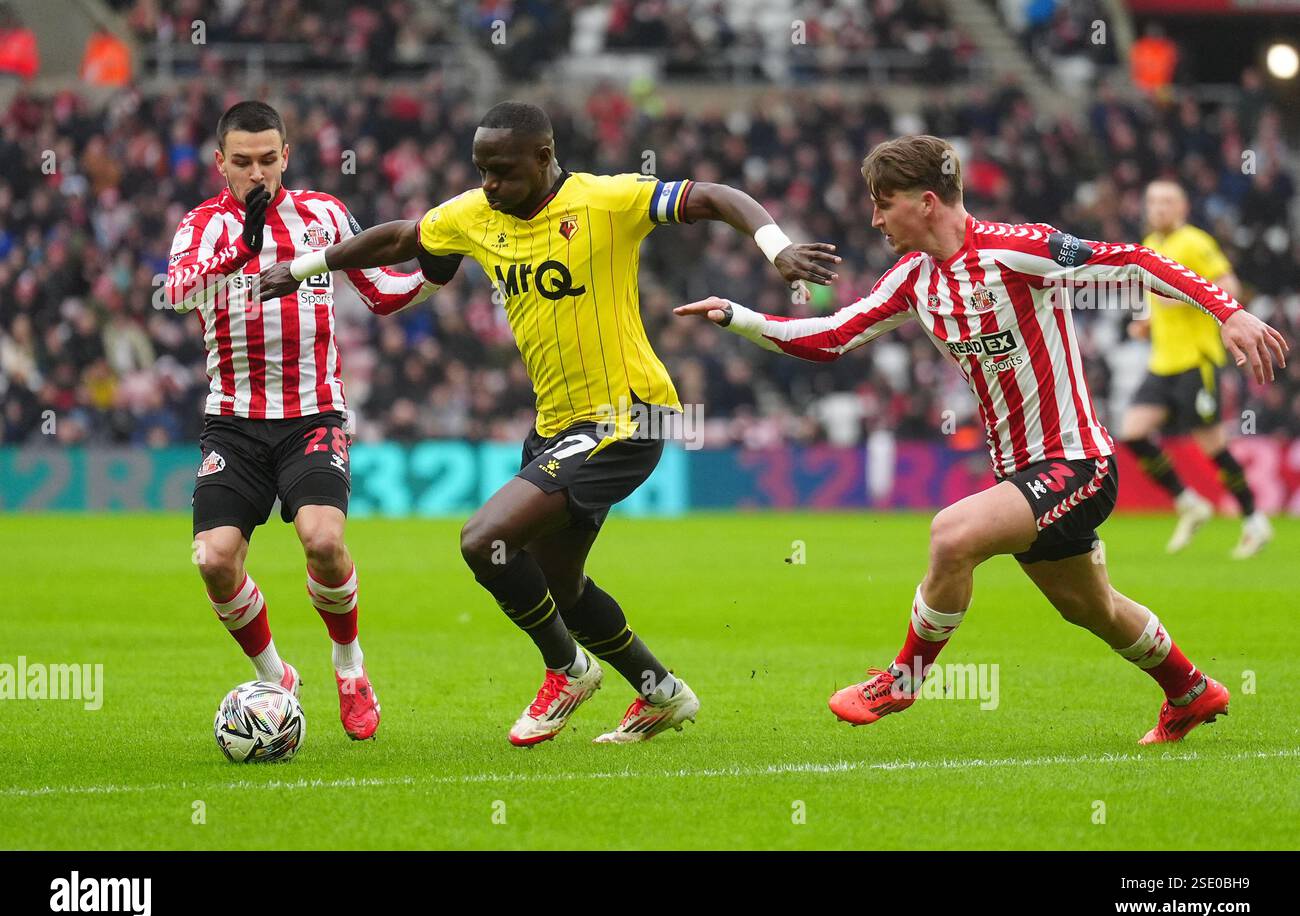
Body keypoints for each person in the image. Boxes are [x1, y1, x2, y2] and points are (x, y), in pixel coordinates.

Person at [258, 101, 838, 745]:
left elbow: (715, 196)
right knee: (560, 582)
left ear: (544, 157)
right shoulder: (476, 215)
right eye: (481, 170)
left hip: (630, 415)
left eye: (502, 171)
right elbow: (402, 237)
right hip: (559, 426)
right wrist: (306, 268)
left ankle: (566, 669)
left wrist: (776, 249)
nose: (489, 185)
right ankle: (660, 693)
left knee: (484, 540)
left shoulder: (607, 199)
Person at [673, 135, 1286, 744]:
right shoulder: (913, 280)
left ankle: (904, 678)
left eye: (885, 203)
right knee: (1091, 609)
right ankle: (1190, 690)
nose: (875, 218)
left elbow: (1132, 260)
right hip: (1019, 473)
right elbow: (831, 336)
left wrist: (1227, 311)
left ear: (929, 201)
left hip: (1077, 462)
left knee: (952, 535)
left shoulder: (1020, 251)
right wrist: (739, 317)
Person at [166, 101, 443, 740]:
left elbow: (381, 293)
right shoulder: (202, 226)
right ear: (220, 164)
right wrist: (244, 246)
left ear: (286, 155)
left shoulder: (324, 215)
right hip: (233, 421)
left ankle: (349, 665)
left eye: (268, 159)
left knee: (322, 540)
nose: (256, 173)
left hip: (313, 414)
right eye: (242, 162)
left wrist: (432, 277)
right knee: (213, 558)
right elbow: (178, 294)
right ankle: (276, 675)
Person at [1122, 180, 1270, 558]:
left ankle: (1255, 520)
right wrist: (1148, 323)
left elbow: (1229, 284)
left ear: (1183, 207)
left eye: (1167, 200)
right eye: (1152, 200)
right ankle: (1189, 503)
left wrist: (1186, 299)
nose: (1158, 207)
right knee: (1132, 432)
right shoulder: (1150, 245)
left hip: (1196, 361)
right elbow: (1161, 304)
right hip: (1163, 362)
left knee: (1212, 446)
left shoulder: (1195, 242)